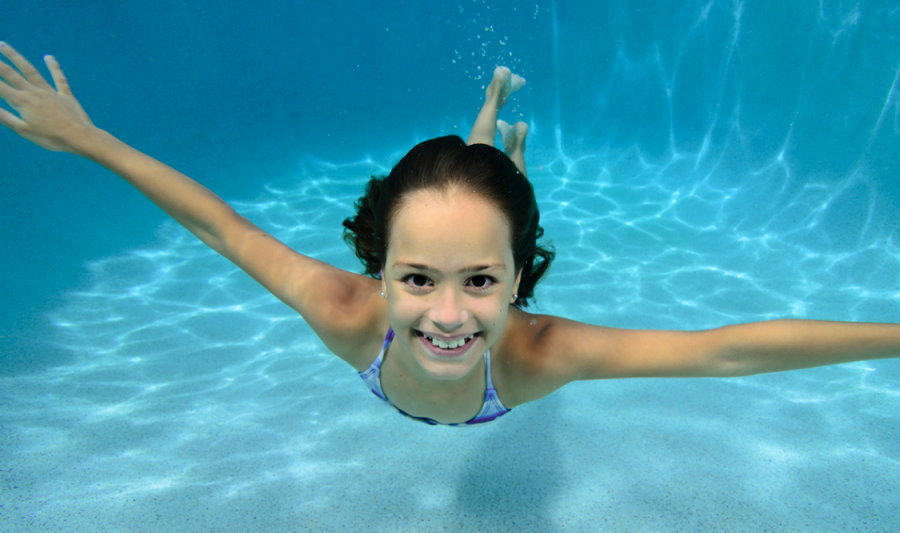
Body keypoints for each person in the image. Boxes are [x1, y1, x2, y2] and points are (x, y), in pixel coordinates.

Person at [1, 42, 898, 426]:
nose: (445, 319)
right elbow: (220, 226)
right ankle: (494, 121)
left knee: (478, 195)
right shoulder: (348, 309)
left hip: (501, 252)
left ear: (520, 285)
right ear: (378, 271)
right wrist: (85, 138)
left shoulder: (541, 353)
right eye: (416, 279)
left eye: (481, 283)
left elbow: (725, 353)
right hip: (470, 222)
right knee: (469, 185)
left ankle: (499, 141)